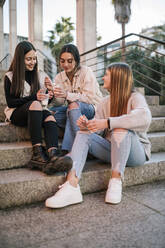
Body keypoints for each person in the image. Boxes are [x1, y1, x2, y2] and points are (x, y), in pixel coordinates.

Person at [45, 62, 152, 208]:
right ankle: (71, 186)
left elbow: (144, 117)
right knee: (83, 133)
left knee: (120, 128)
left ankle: (115, 180)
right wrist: (88, 126)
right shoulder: (104, 102)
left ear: (117, 78)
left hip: (135, 154)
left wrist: (108, 122)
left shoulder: (135, 97)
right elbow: (98, 128)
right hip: (112, 150)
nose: (103, 78)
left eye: (106, 75)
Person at [4, 41, 71, 173]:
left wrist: (49, 94)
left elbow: (44, 100)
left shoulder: (39, 75)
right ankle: (37, 153)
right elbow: (11, 102)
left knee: (50, 117)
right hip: (17, 113)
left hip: (36, 112)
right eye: (28, 59)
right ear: (20, 59)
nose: (32, 62)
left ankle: (53, 155)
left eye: (34, 58)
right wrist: (35, 97)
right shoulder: (9, 77)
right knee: (35, 104)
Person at [50, 44, 102, 155]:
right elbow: (60, 102)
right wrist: (52, 93)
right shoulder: (59, 77)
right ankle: (80, 145)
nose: (65, 64)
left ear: (76, 60)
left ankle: (69, 150)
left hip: (92, 109)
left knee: (73, 105)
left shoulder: (86, 72)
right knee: (49, 114)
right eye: (62, 61)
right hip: (73, 112)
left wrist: (67, 95)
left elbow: (89, 98)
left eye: (70, 61)